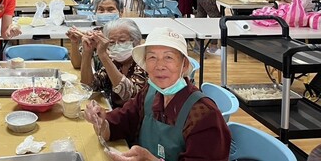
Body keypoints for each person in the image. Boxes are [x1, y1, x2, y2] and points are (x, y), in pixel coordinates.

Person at [84, 27, 231, 161]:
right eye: (152, 57)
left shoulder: (204, 114)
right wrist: (101, 121)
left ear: (184, 64)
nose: (159, 66)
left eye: (169, 57)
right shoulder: (150, 92)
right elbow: (122, 121)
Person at [77, 19, 147, 108]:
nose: (117, 46)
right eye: (112, 42)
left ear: (136, 41)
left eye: (122, 41)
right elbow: (89, 86)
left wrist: (103, 55)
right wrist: (87, 52)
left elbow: (129, 94)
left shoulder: (143, 63)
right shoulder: (115, 62)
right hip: (115, 113)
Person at [68, 0, 124, 70]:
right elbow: (77, 64)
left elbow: (121, 64)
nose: (105, 13)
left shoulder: (125, 34)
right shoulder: (95, 32)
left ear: (121, 12)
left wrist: (99, 46)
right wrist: (75, 42)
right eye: (101, 9)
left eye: (110, 9)